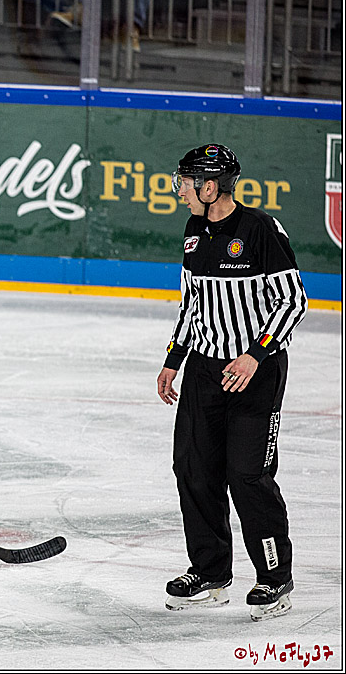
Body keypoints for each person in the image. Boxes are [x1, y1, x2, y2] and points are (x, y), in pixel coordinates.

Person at [157, 144, 308, 622]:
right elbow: (191, 304)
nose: (178, 188)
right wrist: (172, 360)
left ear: (210, 187)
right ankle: (210, 571)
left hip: (254, 375)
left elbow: (292, 302)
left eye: (186, 181)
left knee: (248, 476)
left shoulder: (260, 229)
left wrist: (253, 355)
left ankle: (273, 578)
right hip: (204, 372)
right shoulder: (193, 231)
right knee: (194, 471)